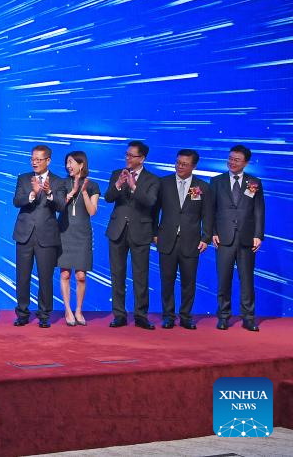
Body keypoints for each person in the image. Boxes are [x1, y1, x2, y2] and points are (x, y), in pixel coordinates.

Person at [104, 140, 160, 330]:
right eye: (126, 154)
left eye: (131, 155)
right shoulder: (117, 174)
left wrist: (135, 187)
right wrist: (119, 184)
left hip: (141, 231)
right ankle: (119, 315)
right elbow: (108, 197)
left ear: (142, 158)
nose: (127, 158)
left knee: (140, 275)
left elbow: (151, 202)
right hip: (117, 230)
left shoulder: (153, 180)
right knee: (117, 274)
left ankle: (141, 316)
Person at [155, 149, 213, 330]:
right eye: (178, 162)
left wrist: (206, 238)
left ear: (194, 166)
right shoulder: (163, 183)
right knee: (167, 280)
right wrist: (154, 233)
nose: (179, 166)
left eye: (184, 164)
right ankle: (168, 316)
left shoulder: (202, 187)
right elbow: (153, 211)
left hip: (191, 241)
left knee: (189, 282)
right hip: (166, 239)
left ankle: (186, 316)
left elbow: (208, 215)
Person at [11, 145, 66, 328]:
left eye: (38, 159)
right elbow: (16, 201)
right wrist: (33, 194)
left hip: (46, 235)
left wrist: (49, 193)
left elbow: (61, 206)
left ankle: (44, 315)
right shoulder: (24, 178)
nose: (34, 162)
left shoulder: (58, 181)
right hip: (24, 234)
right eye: (32, 159)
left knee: (45, 277)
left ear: (48, 160)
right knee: (22, 277)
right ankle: (22, 313)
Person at [211, 145, 265, 332]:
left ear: (246, 163)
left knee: (247, 280)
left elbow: (259, 211)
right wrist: (213, 232)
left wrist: (258, 235)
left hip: (247, 238)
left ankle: (248, 318)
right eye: (230, 158)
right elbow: (211, 210)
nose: (232, 162)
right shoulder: (216, 181)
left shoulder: (254, 182)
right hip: (223, 237)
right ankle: (223, 316)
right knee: (223, 279)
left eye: (237, 160)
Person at [57, 151, 99, 327]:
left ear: (81, 164)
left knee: (81, 276)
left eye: (71, 162)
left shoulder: (92, 185)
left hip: (82, 234)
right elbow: (59, 207)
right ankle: (68, 310)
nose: (68, 166)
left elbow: (92, 211)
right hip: (64, 232)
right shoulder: (62, 183)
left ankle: (79, 310)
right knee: (65, 273)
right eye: (67, 162)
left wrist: (83, 192)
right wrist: (72, 191)